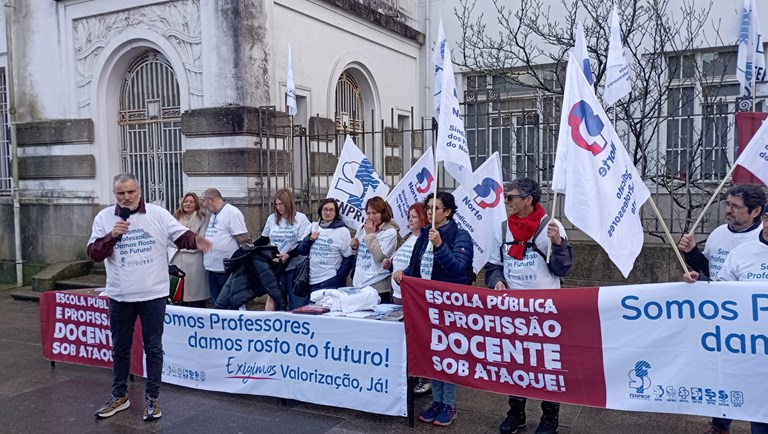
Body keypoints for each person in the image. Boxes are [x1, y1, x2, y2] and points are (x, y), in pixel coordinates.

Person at [88, 173, 211, 421]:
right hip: (120, 294)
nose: (126, 197)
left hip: (153, 294)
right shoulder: (104, 218)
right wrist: (112, 236)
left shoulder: (158, 214)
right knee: (120, 347)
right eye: (121, 193)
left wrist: (197, 241)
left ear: (140, 191)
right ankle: (119, 395)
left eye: (131, 192)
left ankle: (152, 398)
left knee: (153, 347)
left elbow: (180, 236)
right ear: (115, 194)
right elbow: (94, 253)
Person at [484, 177, 573, 434]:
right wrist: (497, 281)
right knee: (515, 362)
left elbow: (563, 269)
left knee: (547, 363)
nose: (506, 201)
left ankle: (550, 417)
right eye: (506, 197)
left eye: (511, 197)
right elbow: (493, 265)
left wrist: (559, 245)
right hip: (513, 310)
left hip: (545, 311)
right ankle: (516, 412)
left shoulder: (551, 227)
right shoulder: (502, 229)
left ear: (528, 200)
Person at [684, 203, 768, 434]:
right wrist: (699, 282)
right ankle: (721, 426)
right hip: (745, 345)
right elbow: (720, 292)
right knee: (747, 399)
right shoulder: (742, 254)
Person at [393, 191, 474, 427]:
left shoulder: (460, 236)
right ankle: (437, 401)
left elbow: (458, 272)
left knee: (448, 355)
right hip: (426, 307)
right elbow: (417, 268)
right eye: (427, 208)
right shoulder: (423, 236)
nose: (429, 212)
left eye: (434, 208)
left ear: (447, 212)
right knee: (433, 355)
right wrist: (404, 274)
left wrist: (439, 246)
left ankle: (449, 404)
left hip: (449, 308)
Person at [383, 202, 431, 396]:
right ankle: (409, 376)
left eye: (413, 216)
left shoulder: (424, 240)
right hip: (397, 295)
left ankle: (425, 379)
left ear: (423, 218)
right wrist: (390, 265)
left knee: (419, 340)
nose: (409, 220)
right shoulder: (407, 237)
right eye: (409, 216)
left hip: (412, 297)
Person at [677, 184, 766, 281]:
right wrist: (692, 252)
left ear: (756, 211)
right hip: (717, 291)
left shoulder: (763, 239)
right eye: (727, 204)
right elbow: (708, 269)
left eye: (735, 206)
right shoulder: (718, 233)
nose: (728, 210)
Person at [254, 188, 311, 310]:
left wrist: (288, 255)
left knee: (296, 304)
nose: (278, 207)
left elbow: (302, 245)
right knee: (278, 302)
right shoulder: (272, 218)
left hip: (295, 266)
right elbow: (264, 239)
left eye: (281, 204)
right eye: (276, 204)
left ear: (288, 203)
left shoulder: (301, 219)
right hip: (277, 266)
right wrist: (252, 246)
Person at [296, 199, 353, 305]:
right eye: (325, 209)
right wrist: (309, 239)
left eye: (331, 210)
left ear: (335, 213)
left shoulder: (342, 231)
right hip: (312, 280)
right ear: (320, 211)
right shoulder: (312, 227)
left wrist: (339, 277)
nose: (328, 213)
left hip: (330, 279)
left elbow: (349, 257)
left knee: (329, 310)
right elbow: (301, 250)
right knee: (312, 310)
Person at [201, 188, 250, 305]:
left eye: (204, 201)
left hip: (227, 269)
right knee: (217, 303)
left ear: (211, 200)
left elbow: (243, 239)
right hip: (212, 268)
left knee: (230, 302)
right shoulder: (213, 214)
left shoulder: (232, 213)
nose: (203, 204)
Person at [351, 196, 399, 303]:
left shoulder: (390, 232)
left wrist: (370, 235)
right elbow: (357, 253)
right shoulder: (362, 227)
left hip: (377, 286)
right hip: (359, 283)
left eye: (374, 213)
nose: (371, 217)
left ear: (383, 213)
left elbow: (380, 257)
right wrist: (354, 247)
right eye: (368, 213)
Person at [169, 192, 209, 307]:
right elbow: (169, 238)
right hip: (178, 259)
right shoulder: (175, 218)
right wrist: (183, 244)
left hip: (195, 260)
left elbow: (200, 239)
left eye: (191, 202)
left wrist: (183, 244)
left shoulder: (203, 218)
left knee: (196, 294)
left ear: (196, 204)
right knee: (180, 294)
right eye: (186, 201)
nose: (188, 204)